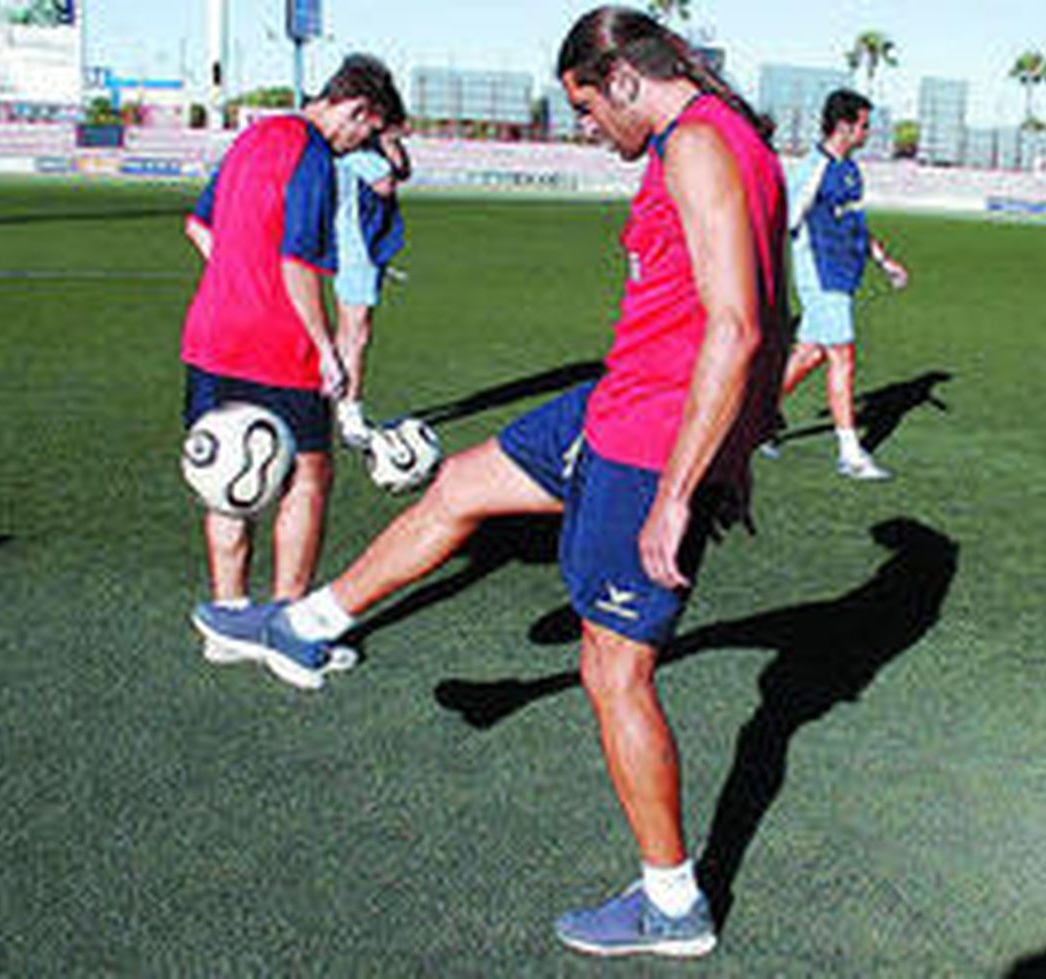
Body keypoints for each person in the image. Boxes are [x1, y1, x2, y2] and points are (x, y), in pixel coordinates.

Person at [193, 5, 787, 957]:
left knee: (616, 670)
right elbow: (774, 310)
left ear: (623, 81)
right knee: (462, 485)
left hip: (647, 442)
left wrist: (687, 487)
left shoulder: (699, 147)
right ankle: (304, 627)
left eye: (589, 111)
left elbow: (742, 326)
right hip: (613, 405)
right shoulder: (735, 142)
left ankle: (672, 901)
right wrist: (744, 442)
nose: (592, 132)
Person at [181, 55, 404, 687]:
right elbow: (297, 261)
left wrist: (234, 279)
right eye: (370, 131)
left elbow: (200, 227)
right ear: (357, 110)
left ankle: (229, 619)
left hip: (210, 336)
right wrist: (327, 348)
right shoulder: (311, 154)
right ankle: (287, 625)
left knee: (225, 474)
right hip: (277, 346)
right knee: (309, 476)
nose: (364, 145)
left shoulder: (253, 136)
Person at [775, 88, 908, 480]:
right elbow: (784, 221)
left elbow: (856, 225)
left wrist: (884, 261)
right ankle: (850, 454)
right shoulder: (812, 168)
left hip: (844, 274)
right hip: (821, 274)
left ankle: (757, 418)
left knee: (811, 353)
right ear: (845, 126)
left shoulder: (850, 169)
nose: (868, 133)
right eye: (864, 125)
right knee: (842, 357)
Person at [333, 123, 412, 447]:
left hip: (361, 246)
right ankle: (349, 410)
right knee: (357, 332)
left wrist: (392, 143)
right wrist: (387, 141)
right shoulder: (358, 153)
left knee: (348, 330)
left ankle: (336, 404)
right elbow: (386, 183)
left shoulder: (366, 149)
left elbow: (403, 170)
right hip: (358, 247)